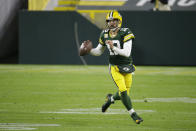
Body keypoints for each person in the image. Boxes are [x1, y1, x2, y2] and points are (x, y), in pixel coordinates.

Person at [88, 10, 143, 124]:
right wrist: (89, 51)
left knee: (125, 94)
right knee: (123, 91)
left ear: (119, 21)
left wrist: (113, 47)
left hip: (127, 65)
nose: (112, 23)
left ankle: (110, 100)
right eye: (109, 21)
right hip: (114, 67)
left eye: (114, 20)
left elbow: (127, 53)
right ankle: (133, 114)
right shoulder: (104, 34)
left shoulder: (126, 32)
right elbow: (98, 51)